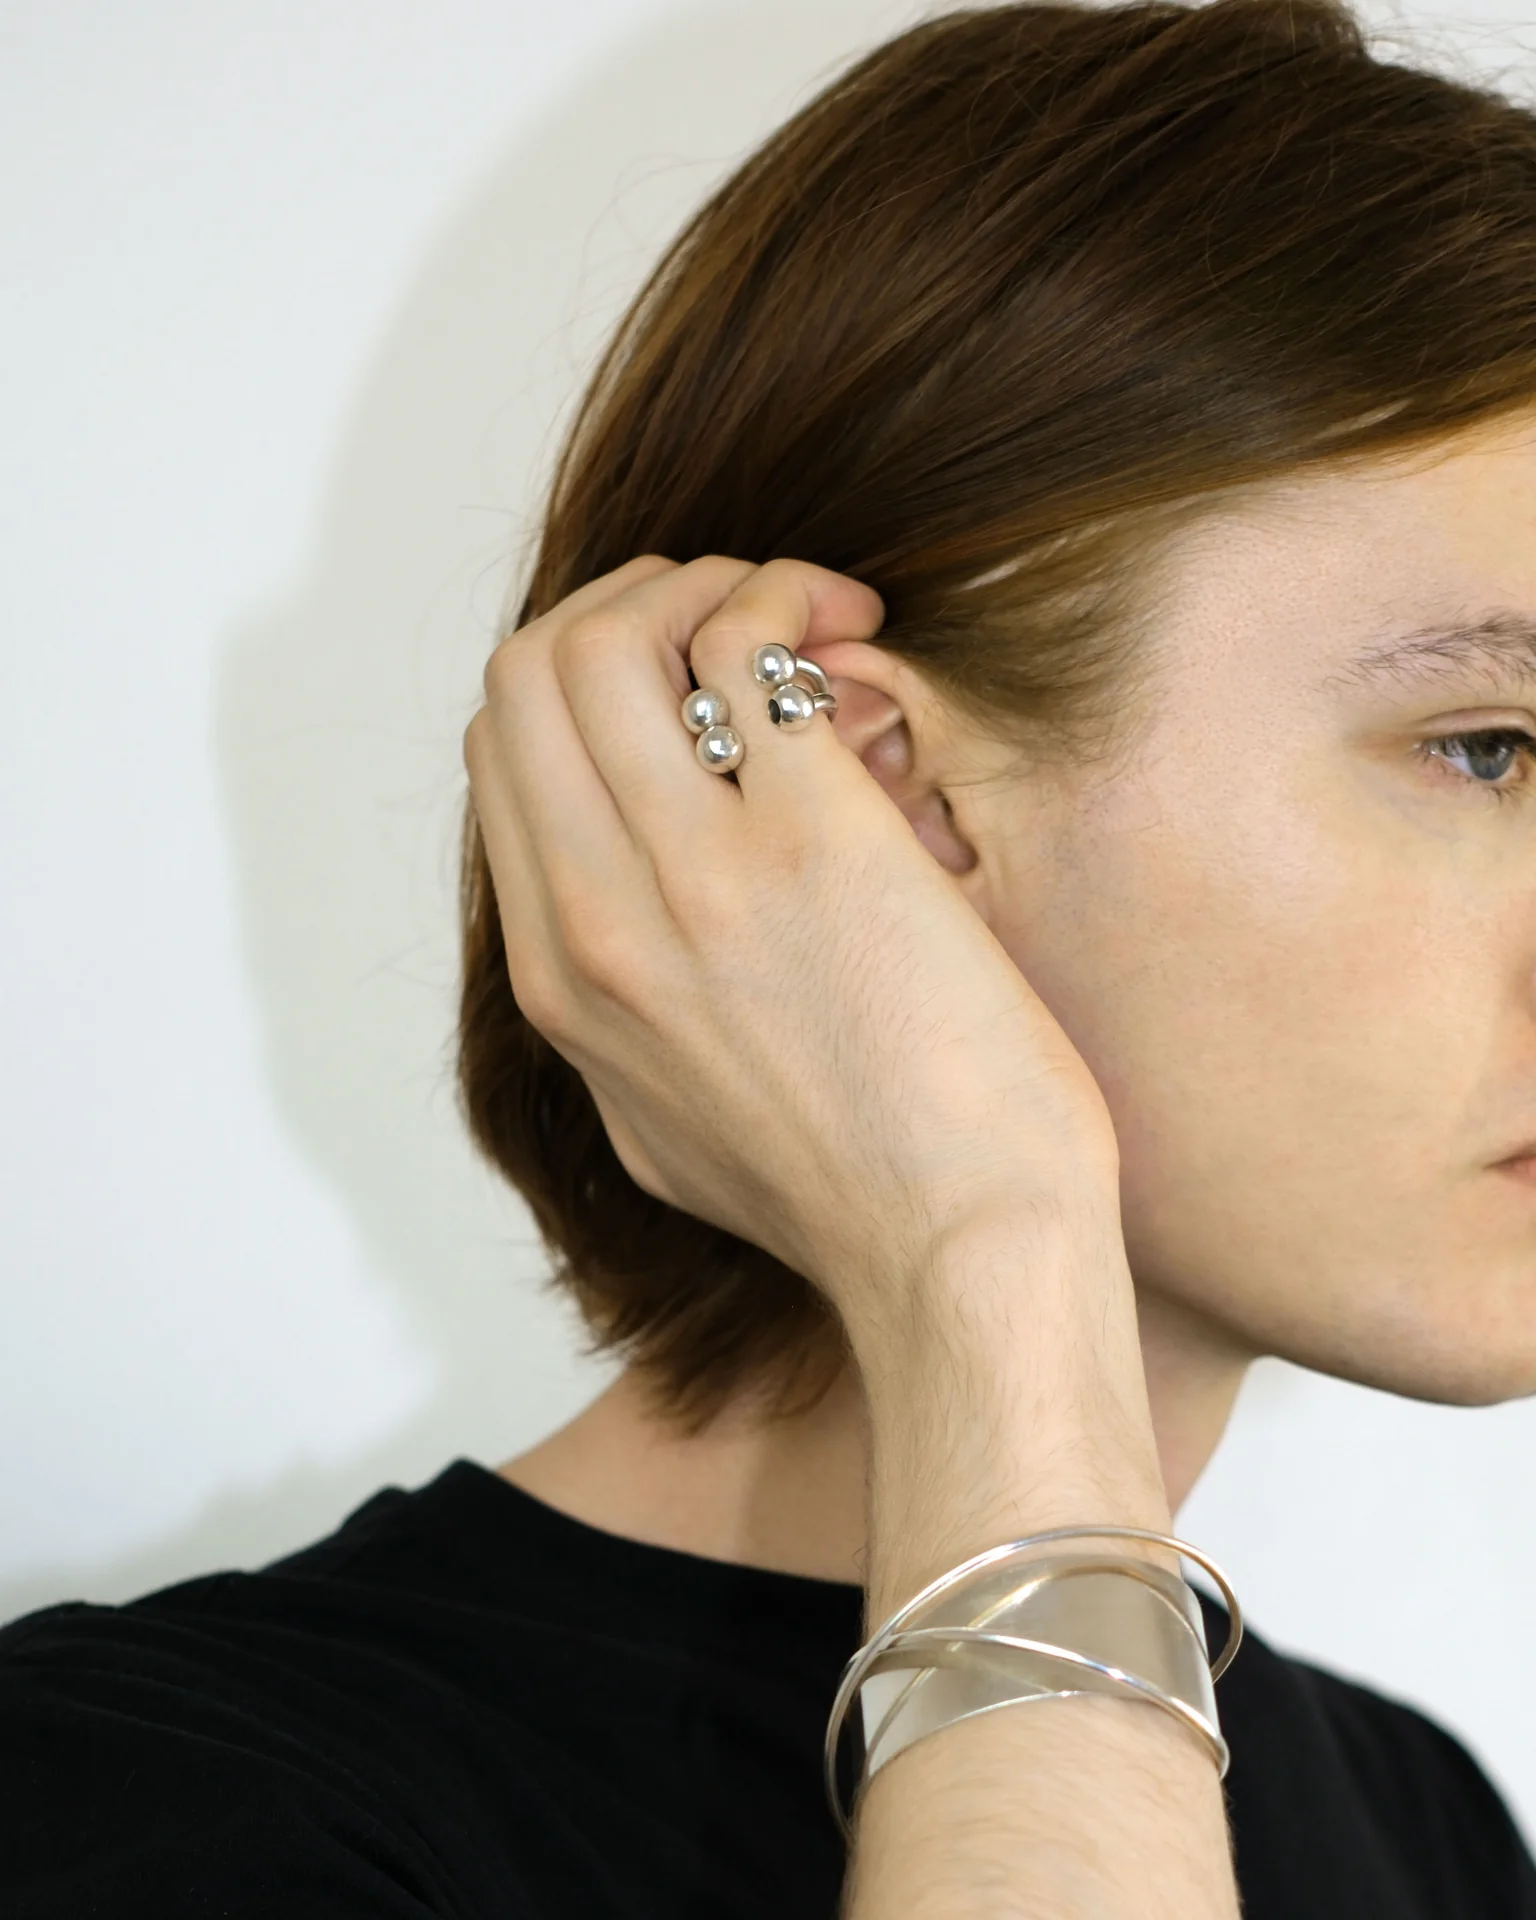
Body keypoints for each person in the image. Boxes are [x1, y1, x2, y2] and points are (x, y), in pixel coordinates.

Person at [7, 0, 1536, 1911]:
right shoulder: (150, 1814)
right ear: (877, 790)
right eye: (1490, 749)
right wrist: (981, 1256)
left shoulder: (1424, 1831)